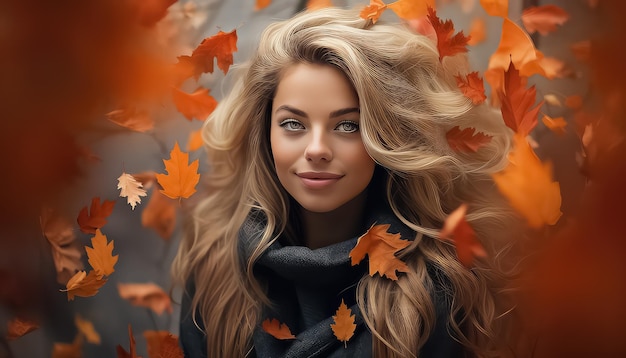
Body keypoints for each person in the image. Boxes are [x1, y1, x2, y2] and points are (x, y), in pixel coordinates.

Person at [173, 6, 522, 358]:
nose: (317, 149)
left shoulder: (440, 290)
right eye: (293, 124)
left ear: (387, 137)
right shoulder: (215, 269)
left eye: (348, 125)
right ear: (264, 133)